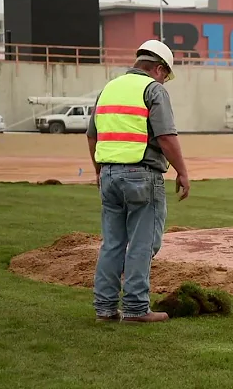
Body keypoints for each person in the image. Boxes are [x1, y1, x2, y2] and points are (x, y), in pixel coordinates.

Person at [86, 40, 190, 323]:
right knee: (143, 243)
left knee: (112, 243)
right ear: (158, 69)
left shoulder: (109, 89)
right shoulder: (153, 90)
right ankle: (135, 308)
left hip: (108, 174)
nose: (165, 81)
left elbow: (91, 135)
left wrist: (98, 171)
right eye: (166, 75)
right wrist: (182, 171)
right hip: (142, 175)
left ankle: (105, 309)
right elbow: (167, 137)